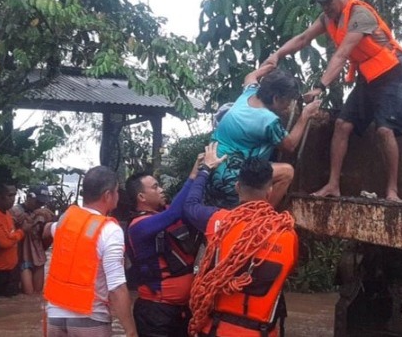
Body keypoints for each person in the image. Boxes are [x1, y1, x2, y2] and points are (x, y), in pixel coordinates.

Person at [260, 0, 402, 201]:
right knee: (342, 124)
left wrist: (320, 86)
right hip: (368, 75)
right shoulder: (327, 19)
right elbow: (303, 38)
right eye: (321, 3)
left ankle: (392, 191)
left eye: (328, 1)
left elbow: (342, 54)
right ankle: (333, 185)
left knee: (384, 130)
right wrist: (277, 54)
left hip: (392, 74)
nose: (325, 7)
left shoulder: (360, 15)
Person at [183, 143, 298, 337]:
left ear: (237, 187)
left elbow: (190, 205)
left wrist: (205, 169)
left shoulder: (218, 222)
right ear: (270, 191)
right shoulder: (288, 235)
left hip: (215, 331)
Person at [125, 153, 222, 337]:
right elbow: (175, 212)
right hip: (156, 313)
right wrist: (203, 172)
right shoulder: (138, 227)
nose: (161, 190)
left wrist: (196, 173)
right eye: (155, 187)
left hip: (180, 311)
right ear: (141, 197)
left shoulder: (164, 214)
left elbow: (184, 205)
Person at [43, 166, 137, 337]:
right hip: (90, 318)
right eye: (116, 191)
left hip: (54, 316)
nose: (118, 196)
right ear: (107, 195)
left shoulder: (65, 220)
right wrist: (131, 331)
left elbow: (49, 229)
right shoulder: (109, 230)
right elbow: (116, 287)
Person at [209, 68, 321, 208]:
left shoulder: (249, 93)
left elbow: (250, 75)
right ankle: (260, 217)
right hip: (231, 181)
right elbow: (290, 145)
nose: (288, 106)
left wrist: (272, 61)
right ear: (276, 98)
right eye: (288, 101)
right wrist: (305, 115)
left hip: (211, 171)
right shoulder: (268, 120)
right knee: (287, 172)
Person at [10, 184, 55, 294]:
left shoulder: (44, 214)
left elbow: (45, 237)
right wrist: (33, 216)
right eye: (38, 202)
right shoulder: (15, 212)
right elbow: (10, 234)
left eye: (42, 203)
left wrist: (49, 222)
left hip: (38, 256)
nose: (40, 205)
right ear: (29, 197)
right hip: (22, 257)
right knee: (28, 294)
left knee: (38, 295)